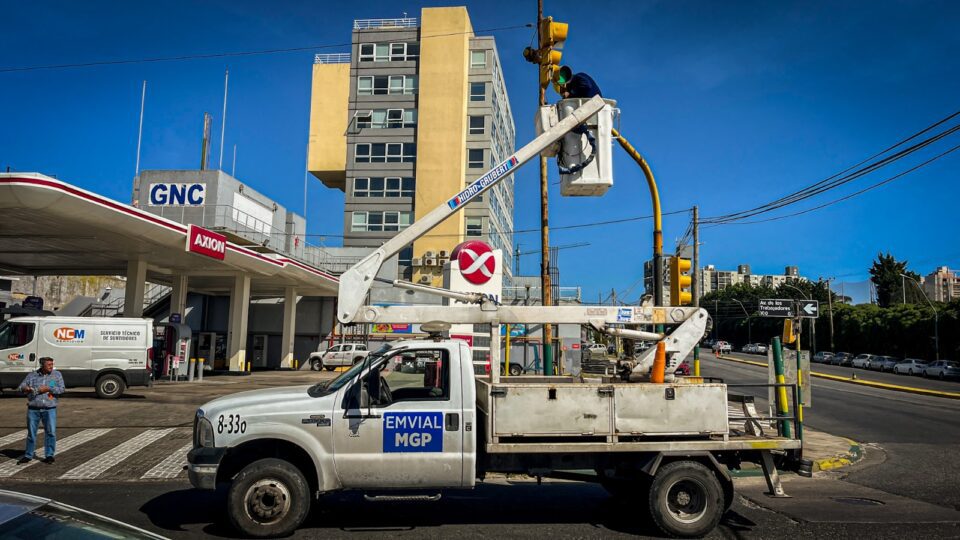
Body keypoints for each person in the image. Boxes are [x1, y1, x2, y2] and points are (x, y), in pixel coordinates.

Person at [17, 357, 65, 465]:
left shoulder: (56, 375)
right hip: (33, 409)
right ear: (42, 365)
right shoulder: (32, 375)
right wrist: (26, 389)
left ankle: (49, 455)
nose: (51, 367)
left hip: (49, 409)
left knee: (51, 432)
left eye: (52, 364)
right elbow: (20, 387)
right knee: (31, 433)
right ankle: (28, 455)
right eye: (49, 365)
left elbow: (62, 389)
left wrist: (49, 388)